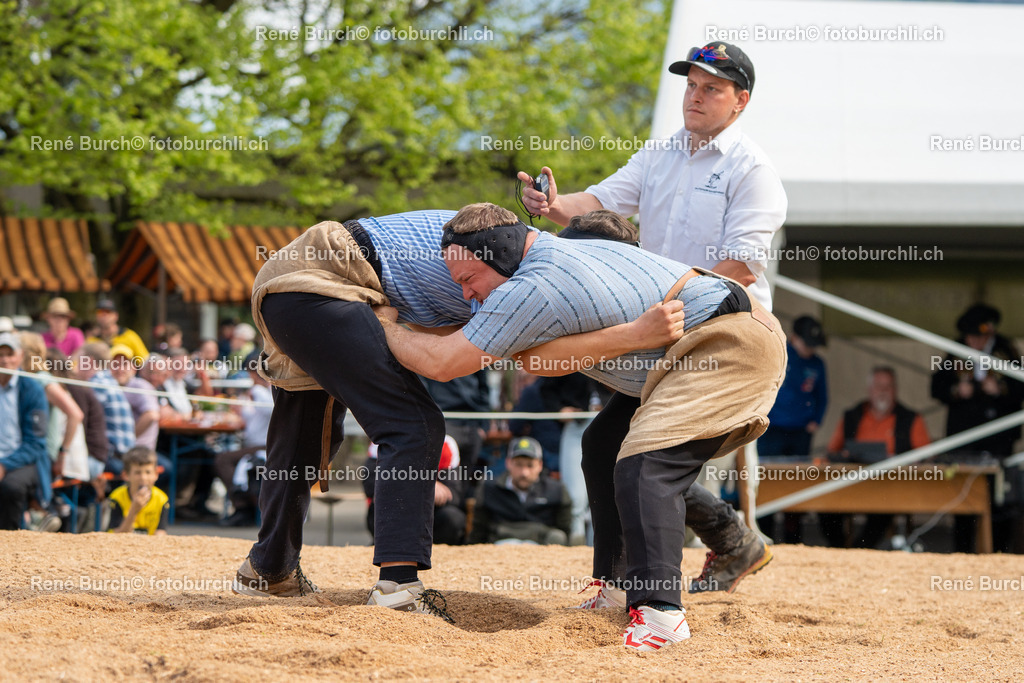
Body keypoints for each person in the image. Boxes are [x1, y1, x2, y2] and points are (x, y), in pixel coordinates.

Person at [230, 208, 673, 624]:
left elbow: (474, 338)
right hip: (329, 279)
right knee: (413, 425)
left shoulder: (513, 252)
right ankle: (397, 587)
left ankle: (267, 569)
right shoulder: (535, 275)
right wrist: (633, 334)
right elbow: (457, 361)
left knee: (305, 436)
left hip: (297, 281)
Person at [378, 204, 786, 651]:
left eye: (468, 281)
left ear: (498, 256)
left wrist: (381, 324)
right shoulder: (539, 262)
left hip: (729, 338)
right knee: (604, 448)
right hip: (693, 342)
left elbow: (445, 363)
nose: (469, 296)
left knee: (645, 464)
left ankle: (661, 615)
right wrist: (631, 335)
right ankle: (619, 589)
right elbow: (532, 358)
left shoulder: (534, 286)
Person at [517, 41, 786, 311]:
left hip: (726, 328)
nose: (695, 96)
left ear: (741, 101)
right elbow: (598, 205)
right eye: (691, 85)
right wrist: (552, 203)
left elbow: (742, 268)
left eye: (711, 88)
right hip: (662, 320)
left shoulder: (753, 170)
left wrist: (665, 303)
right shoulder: (657, 154)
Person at [931, 303, 1024, 553]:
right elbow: (937, 387)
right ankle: (962, 553)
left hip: (998, 441)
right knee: (964, 497)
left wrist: (1000, 390)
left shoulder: (1006, 351)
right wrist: (957, 391)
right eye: (969, 337)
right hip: (964, 441)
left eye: (977, 336)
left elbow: (1020, 389)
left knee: (998, 500)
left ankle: (998, 554)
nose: (972, 341)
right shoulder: (957, 350)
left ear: (989, 333)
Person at [819, 367, 930, 549]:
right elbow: (832, 452)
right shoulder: (852, 416)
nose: (883, 391)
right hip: (851, 484)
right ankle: (839, 549)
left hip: (890, 486)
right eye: (879, 386)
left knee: (882, 510)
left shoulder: (910, 418)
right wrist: (845, 456)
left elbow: (926, 454)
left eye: (888, 386)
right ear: (869, 390)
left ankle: (859, 550)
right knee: (825, 508)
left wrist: (910, 461)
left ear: (896, 390)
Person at [757, 315, 828, 544]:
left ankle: (793, 538)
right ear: (794, 338)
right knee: (766, 481)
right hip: (771, 430)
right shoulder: (778, 354)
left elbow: (822, 396)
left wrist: (816, 420)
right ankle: (764, 534)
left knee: (796, 482)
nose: (810, 350)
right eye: (806, 343)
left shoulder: (817, 364)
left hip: (800, 433)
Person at [365, 435, 468, 546]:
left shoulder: (446, 443)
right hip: (396, 507)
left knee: (452, 517)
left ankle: (437, 554)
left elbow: (453, 495)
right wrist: (425, 485)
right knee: (381, 508)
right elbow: (371, 486)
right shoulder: (383, 440)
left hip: (430, 510)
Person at [469, 437, 572, 545]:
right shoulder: (489, 489)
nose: (524, 473)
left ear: (540, 465)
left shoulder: (556, 490)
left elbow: (565, 532)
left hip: (544, 550)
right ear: (508, 463)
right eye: (518, 464)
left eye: (530, 465)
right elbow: (478, 533)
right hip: (500, 548)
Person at [0, 332, 52, 530]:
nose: (4, 359)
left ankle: (11, 537)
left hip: (24, 460)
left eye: (9, 354)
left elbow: (36, 443)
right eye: (0, 354)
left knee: (10, 487)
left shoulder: (32, 389)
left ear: (20, 356)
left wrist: (4, 465)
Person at [216, 351, 272, 527]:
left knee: (222, 460)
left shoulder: (259, 391)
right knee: (225, 457)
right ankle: (243, 505)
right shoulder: (262, 391)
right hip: (257, 444)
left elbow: (271, 411)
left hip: (263, 447)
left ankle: (242, 506)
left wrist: (255, 392)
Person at [73, 341, 136, 475]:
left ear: (88, 362)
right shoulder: (108, 380)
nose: (76, 367)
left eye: (78, 362)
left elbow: (79, 421)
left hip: (113, 458)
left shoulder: (95, 385)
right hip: (125, 456)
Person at [108, 446, 169, 535]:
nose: (143, 478)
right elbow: (116, 536)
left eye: (148, 472)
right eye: (137, 472)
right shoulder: (117, 497)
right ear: (126, 475)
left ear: (156, 474)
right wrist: (134, 510)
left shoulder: (161, 499)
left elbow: (160, 533)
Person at [89, 298, 148, 362]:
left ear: (116, 316)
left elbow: (145, 360)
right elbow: (79, 363)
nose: (104, 315)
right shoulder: (92, 341)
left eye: (108, 312)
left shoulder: (129, 336)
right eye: (100, 312)